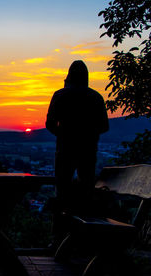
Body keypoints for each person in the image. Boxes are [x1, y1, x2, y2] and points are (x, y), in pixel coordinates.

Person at [46, 60, 109, 240]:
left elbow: (49, 124)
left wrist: (63, 134)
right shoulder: (96, 97)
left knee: (61, 193)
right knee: (85, 193)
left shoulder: (60, 95)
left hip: (64, 150)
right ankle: (81, 240)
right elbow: (104, 126)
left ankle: (58, 238)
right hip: (88, 151)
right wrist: (88, 133)